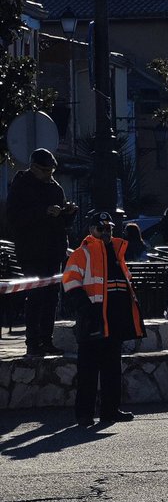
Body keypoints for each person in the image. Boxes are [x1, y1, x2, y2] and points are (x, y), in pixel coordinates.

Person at [62, 211, 146, 429]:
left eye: (109, 228)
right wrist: (86, 309)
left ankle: (110, 411)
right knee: (88, 370)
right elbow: (70, 282)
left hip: (114, 320)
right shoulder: (82, 253)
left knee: (112, 369)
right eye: (101, 228)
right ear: (91, 230)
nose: (106, 232)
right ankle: (84, 415)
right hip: (93, 319)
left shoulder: (117, 251)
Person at [5, 148, 77, 356]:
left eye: (51, 171)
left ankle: (47, 339)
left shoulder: (55, 187)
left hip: (54, 249)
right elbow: (14, 218)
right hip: (31, 251)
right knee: (36, 295)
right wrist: (43, 212)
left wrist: (69, 213)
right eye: (45, 171)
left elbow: (63, 223)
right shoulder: (21, 186)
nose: (48, 175)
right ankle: (33, 342)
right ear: (34, 167)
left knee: (51, 298)